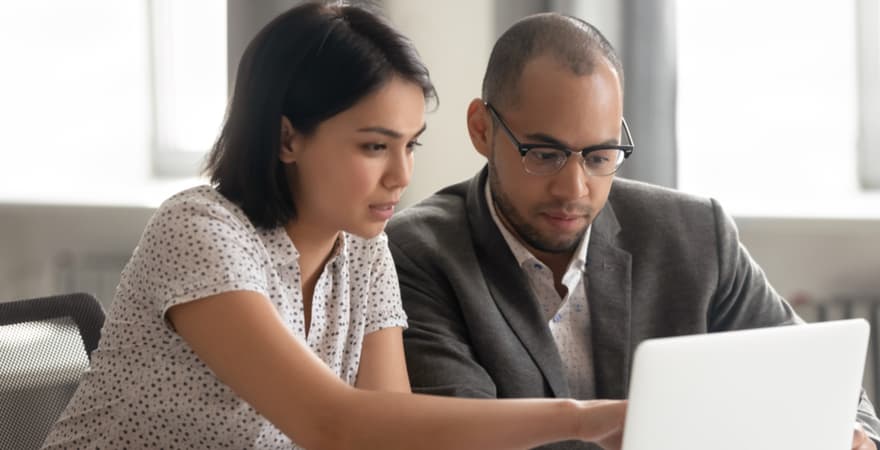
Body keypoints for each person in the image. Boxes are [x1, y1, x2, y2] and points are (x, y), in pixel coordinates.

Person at [41, 4, 626, 449]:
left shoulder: (364, 253)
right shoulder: (199, 231)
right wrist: (584, 420)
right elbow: (332, 422)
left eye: (410, 145)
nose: (401, 175)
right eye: (374, 146)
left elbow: (391, 431)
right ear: (287, 137)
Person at [386, 12, 880, 450]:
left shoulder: (696, 235)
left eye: (601, 157)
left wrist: (850, 436)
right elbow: (466, 441)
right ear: (482, 129)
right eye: (545, 154)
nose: (574, 189)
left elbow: (827, 389)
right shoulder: (418, 255)